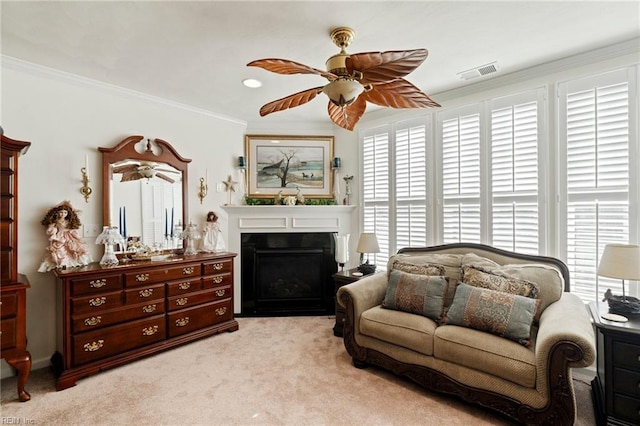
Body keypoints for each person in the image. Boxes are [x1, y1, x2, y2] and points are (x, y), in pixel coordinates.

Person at [38, 201, 92, 272]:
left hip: (69, 236)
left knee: (73, 248)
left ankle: (73, 262)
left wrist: (77, 237)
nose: (63, 214)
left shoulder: (68, 222)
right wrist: (52, 230)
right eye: (61, 212)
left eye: (65, 213)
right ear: (57, 213)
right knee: (60, 250)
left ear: (68, 214)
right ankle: (63, 264)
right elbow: (50, 231)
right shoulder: (56, 222)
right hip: (60, 237)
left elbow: (72, 230)